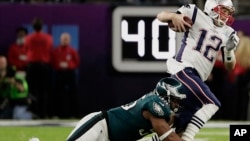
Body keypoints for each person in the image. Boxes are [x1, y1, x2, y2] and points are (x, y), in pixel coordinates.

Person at [156, 0, 239, 141]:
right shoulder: (195, 12)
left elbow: (229, 66)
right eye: (224, 11)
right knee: (212, 103)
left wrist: (230, 51)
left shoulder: (228, 32)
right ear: (212, 7)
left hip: (196, 78)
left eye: (228, 12)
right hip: (183, 68)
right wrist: (174, 16)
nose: (226, 15)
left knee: (180, 127)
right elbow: (161, 16)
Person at [66, 77, 186, 141]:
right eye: (175, 101)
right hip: (100, 126)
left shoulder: (165, 115)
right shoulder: (154, 104)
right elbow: (169, 137)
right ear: (165, 97)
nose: (176, 105)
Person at [24, 17, 54, 118]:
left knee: (32, 90)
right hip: (43, 67)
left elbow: (26, 49)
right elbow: (50, 49)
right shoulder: (48, 38)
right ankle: (43, 113)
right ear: (42, 27)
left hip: (32, 67)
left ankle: (34, 112)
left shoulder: (29, 38)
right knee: (43, 91)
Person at [51, 32, 80, 118]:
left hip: (70, 73)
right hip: (59, 73)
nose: (65, 40)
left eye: (66, 39)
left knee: (72, 94)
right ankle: (57, 114)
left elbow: (77, 62)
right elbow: (53, 62)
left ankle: (73, 114)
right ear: (60, 40)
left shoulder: (72, 51)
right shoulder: (56, 51)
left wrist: (69, 65)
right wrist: (59, 65)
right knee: (58, 93)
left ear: (69, 40)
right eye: (63, 39)